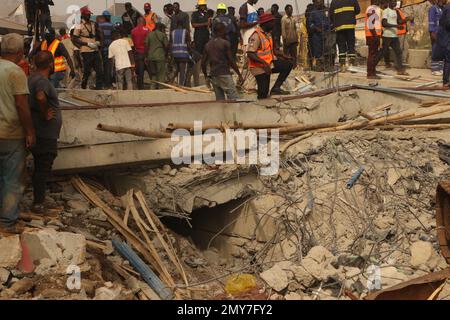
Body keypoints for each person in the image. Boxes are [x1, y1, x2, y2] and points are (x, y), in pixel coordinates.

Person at [0, 33, 35, 234]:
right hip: (11, 133)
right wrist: (30, 131)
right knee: (12, 179)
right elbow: (22, 106)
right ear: (21, 52)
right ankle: (6, 223)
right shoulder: (16, 72)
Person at [27, 51, 62, 214]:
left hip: (37, 130)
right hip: (44, 132)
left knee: (41, 165)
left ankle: (38, 199)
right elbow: (40, 97)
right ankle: (38, 203)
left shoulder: (31, 78)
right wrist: (45, 112)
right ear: (51, 64)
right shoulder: (42, 81)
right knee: (43, 166)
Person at [247, 13, 294, 99]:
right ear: (266, 23)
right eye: (272, 22)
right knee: (263, 94)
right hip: (259, 67)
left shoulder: (268, 34)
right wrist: (264, 63)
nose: (273, 24)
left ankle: (276, 88)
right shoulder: (256, 35)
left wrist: (284, 55)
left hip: (269, 64)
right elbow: (250, 53)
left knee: (288, 64)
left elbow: (273, 50)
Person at [202, 22, 244, 101]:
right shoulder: (225, 43)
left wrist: (206, 75)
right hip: (224, 73)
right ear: (222, 31)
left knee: (220, 100)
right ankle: (234, 113)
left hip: (213, 74)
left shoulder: (208, 45)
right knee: (234, 98)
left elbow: (203, 62)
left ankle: (222, 113)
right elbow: (231, 60)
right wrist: (239, 74)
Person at [73, 6, 104, 90]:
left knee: (99, 70)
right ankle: (83, 87)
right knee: (87, 71)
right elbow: (74, 38)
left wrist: (99, 42)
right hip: (86, 50)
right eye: (87, 14)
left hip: (95, 49)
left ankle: (98, 88)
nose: (89, 16)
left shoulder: (93, 23)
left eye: (89, 14)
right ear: (83, 15)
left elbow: (99, 34)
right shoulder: (79, 25)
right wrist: (87, 43)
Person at [375, 0, 409, 75]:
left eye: (395, 2)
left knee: (398, 52)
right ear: (389, 2)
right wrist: (396, 26)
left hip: (394, 36)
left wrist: (406, 19)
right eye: (393, 1)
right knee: (382, 52)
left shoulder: (395, 11)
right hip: (387, 35)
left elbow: (399, 21)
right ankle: (372, 67)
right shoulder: (386, 11)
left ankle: (400, 70)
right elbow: (384, 23)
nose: (395, 3)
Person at [329, 0, 361, 68]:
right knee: (351, 44)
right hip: (350, 25)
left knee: (341, 45)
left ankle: (342, 63)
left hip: (339, 26)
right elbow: (358, 10)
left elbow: (330, 14)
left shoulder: (334, 2)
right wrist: (350, 14)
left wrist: (334, 22)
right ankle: (352, 62)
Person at [191, 0, 211, 87]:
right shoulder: (195, 14)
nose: (203, 7)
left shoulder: (207, 15)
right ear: (198, 6)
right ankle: (197, 73)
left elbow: (209, 25)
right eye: (202, 5)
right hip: (198, 37)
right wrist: (205, 23)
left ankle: (206, 73)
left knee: (206, 55)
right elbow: (194, 25)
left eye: (204, 5)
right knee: (198, 56)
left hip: (206, 38)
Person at [145, 23, 169, 89]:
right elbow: (166, 46)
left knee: (153, 74)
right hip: (160, 57)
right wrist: (166, 55)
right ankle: (160, 89)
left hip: (151, 57)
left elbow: (146, 46)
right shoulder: (162, 35)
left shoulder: (149, 34)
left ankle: (152, 89)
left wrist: (146, 57)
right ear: (161, 28)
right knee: (161, 75)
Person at [309, 0, 331, 70]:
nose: (319, 3)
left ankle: (327, 66)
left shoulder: (327, 10)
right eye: (318, 2)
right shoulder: (313, 13)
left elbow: (331, 21)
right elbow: (310, 24)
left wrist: (329, 30)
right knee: (318, 52)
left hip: (326, 34)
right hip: (317, 36)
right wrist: (316, 28)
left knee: (327, 51)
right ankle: (319, 66)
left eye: (321, 1)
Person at [171, 19, 192, 86]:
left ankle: (174, 82)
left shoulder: (172, 32)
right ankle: (181, 85)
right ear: (183, 25)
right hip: (183, 54)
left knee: (176, 70)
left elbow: (170, 43)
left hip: (175, 55)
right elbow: (188, 44)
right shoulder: (186, 32)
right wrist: (191, 52)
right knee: (183, 71)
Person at [433, 0, 450, 86]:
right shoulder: (449, 7)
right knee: (448, 60)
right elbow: (448, 23)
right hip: (446, 38)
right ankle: (446, 82)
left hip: (446, 37)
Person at [365, 0, 383, 79]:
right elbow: (370, 23)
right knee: (372, 54)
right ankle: (370, 73)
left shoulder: (375, 8)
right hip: (372, 35)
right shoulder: (371, 8)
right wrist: (375, 35)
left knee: (374, 54)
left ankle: (373, 72)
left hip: (374, 34)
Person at [132, 17, 151, 90]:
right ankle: (154, 86)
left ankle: (140, 87)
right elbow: (149, 42)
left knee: (140, 73)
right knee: (150, 72)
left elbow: (133, 43)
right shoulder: (147, 30)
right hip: (147, 53)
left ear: (137, 22)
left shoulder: (133, 31)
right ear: (143, 22)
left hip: (138, 54)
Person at [99, 10, 115, 89]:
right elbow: (113, 36)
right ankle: (108, 84)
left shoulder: (99, 26)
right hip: (110, 49)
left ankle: (104, 83)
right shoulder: (112, 25)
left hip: (102, 49)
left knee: (103, 67)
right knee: (109, 67)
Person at [429, 0, 444, 75]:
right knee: (435, 50)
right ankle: (434, 69)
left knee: (442, 51)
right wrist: (432, 32)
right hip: (435, 32)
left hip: (442, 33)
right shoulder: (433, 8)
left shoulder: (443, 8)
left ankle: (441, 68)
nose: (442, 1)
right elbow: (431, 20)